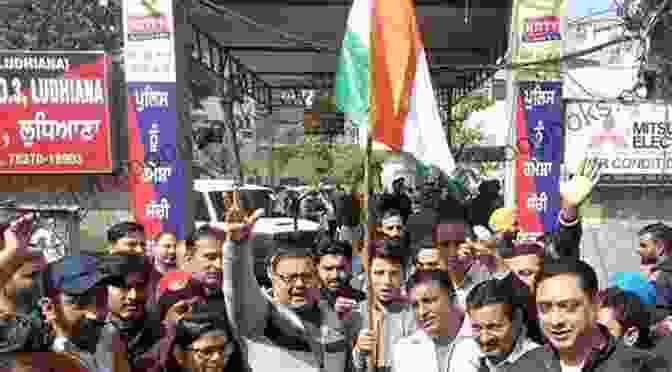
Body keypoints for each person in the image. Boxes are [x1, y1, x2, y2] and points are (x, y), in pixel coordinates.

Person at [219, 209, 360, 372]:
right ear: (272, 276)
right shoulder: (260, 318)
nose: (299, 284)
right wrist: (237, 247)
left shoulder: (332, 321)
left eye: (307, 276)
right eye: (290, 278)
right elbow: (238, 290)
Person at [534, 258, 668, 372]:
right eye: (544, 308)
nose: (555, 321)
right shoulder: (525, 366)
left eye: (568, 307)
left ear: (596, 303)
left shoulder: (642, 367)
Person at [450, 278, 546, 372]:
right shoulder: (463, 353)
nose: (485, 339)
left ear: (517, 319)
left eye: (494, 327)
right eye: (477, 328)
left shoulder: (541, 364)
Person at [352, 240, 416, 372]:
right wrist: (358, 351)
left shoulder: (415, 316)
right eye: (379, 273)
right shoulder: (355, 314)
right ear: (367, 274)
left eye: (393, 273)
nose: (386, 281)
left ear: (404, 275)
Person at [391, 271, 467, 372]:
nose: (422, 312)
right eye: (415, 305)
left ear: (452, 300)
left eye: (428, 301)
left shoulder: (480, 341)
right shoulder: (405, 350)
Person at [98, 254, 162, 371]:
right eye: (124, 287)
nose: (134, 296)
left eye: (140, 286)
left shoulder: (160, 333)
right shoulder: (89, 335)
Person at [313, 238, 366, 316]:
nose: (335, 275)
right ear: (317, 268)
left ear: (350, 267)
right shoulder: (311, 303)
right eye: (328, 269)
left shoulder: (363, 301)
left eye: (341, 268)